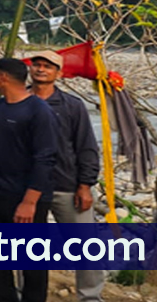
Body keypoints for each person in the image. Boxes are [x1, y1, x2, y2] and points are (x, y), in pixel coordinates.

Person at [0, 59, 60, 302]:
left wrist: (29, 202)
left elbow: (45, 159)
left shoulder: (39, 111)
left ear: (3, 77)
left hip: (28, 196)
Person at [28, 49, 104, 301]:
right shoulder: (16, 100)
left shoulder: (72, 106)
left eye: (47, 66)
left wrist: (85, 184)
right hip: (27, 189)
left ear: (58, 73)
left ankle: (90, 297)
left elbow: (86, 146)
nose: (41, 69)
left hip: (67, 185)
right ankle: (25, 293)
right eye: (37, 64)